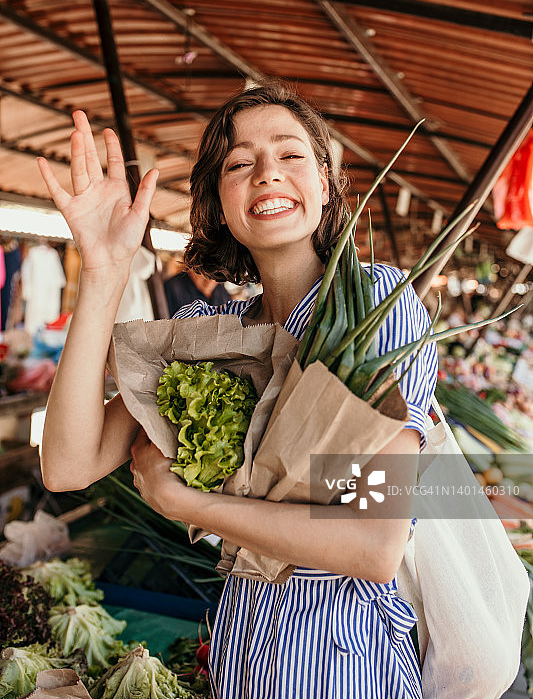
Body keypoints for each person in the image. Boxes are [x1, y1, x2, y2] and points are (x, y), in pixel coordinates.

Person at [38, 84, 437, 699]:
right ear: (218, 200)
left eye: (291, 155)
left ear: (326, 181)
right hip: (239, 654)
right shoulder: (216, 335)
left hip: (345, 666)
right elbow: (68, 465)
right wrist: (102, 270)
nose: (267, 174)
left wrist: (188, 504)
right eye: (240, 163)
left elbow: (374, 544)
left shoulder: (375, 306)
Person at [163, 267, 230, 317]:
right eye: (206, 274)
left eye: (217, 276)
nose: (211, 281)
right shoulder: (172, 288)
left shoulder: (223, 294)